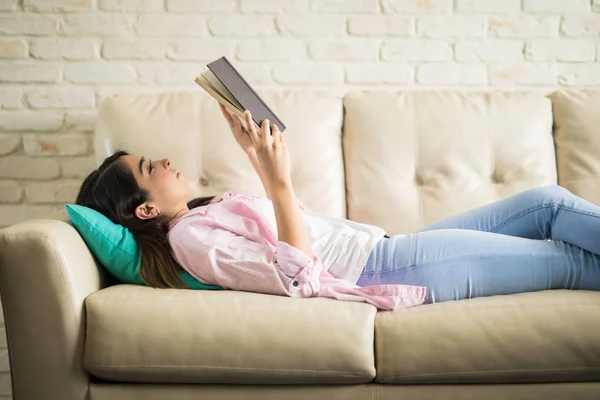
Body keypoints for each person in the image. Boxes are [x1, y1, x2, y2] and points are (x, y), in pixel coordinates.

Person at [75, 104, 600, 310]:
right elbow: (298, 278)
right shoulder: (188, 239)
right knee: (567, 258)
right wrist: (277, 181)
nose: (163, 161)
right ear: (143, 211)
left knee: (548, 203)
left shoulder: (203, 213)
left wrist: (258, 156)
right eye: (149, 169)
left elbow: (290, 232)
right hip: (381, 266)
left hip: (387, 246)